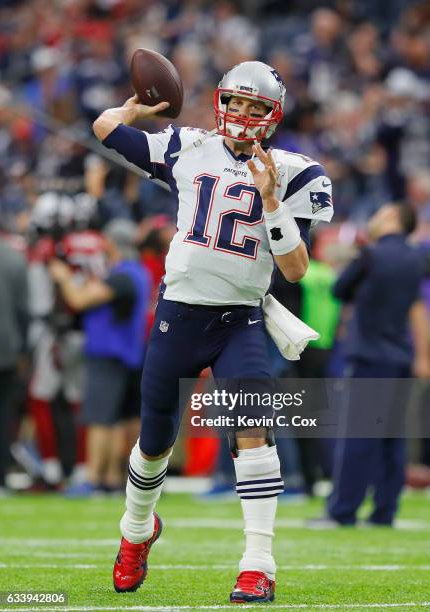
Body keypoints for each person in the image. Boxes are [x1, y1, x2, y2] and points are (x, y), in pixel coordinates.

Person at [93, 61, 333, 603]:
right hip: (179, 315)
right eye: (237, 103)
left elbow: (295, 269)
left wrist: (270, 201)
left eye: (256, 109)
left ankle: (258, 562)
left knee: (253, 427)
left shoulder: (297, 173)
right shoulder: (188, 146)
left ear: (273, 117)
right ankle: (135, 534)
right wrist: (132, 109)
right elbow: (105, 129)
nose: (243, 117)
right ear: (220, 101)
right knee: (155, 441)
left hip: (239, 320)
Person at [326, 204, 430, 526]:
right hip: (400, 357)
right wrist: (422, 356)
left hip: (369, 356)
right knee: (391, 439)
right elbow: (415, 308)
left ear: (393, 219)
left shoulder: (370, 255)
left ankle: (343, 510)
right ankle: (384, 511)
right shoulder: (416, 258)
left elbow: (339, 289)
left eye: (380, 213)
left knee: (358, 438)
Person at [49, 219, 151, 495]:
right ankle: (112, 477)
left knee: (99, 419)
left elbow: (79, 300)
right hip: (128, 354)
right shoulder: (138, 272)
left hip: (109, 354)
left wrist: (63, 277)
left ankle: (93, 478)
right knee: (120, 420)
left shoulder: (122, 275)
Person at [0, 231, 29, 493]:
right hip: (6, 347)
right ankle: (1, 473)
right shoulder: (14, 259)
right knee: (4, 413)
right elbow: (23, 311)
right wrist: (23, 351)